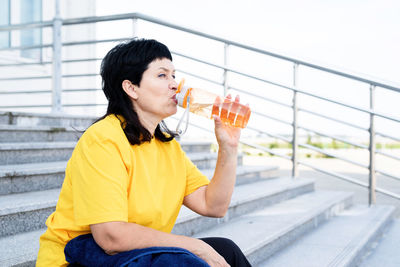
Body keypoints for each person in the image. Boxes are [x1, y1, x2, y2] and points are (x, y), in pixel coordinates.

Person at [36, 38, 251, 267]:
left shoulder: (167, 147)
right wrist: (195, 246)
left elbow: (213, 205)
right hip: (78, 259)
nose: (174, 85)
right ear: (131, 88)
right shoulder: (103, 140)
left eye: (173, 75)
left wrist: (228, 148)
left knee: (226, 250)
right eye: (162, 75)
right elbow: (110, 236)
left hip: (134, 256)